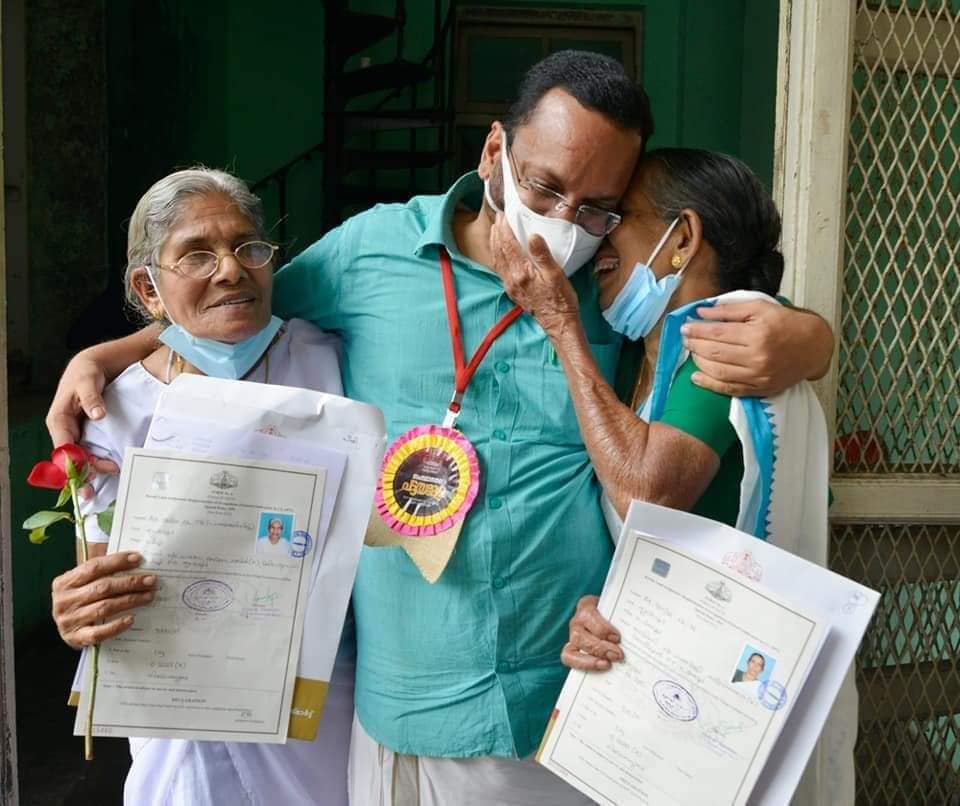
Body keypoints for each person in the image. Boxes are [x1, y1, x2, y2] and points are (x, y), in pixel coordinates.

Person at [46, 53, 835, 804]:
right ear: (494, 150)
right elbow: (239, 301)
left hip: (569, 706)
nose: (567, 221)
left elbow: (721, 300)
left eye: (596, 205)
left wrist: (809, 337)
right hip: (401, 707)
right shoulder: (371, 252)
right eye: (546, 186)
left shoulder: (609, 280)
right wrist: (112, 349)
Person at [489, 147, 854, 804]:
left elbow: (645, 493)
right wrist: (597, 612)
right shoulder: (640, 360)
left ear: (681, 238)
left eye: (616, 217)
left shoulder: (726, 336)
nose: (596, 234)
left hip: (734, 706)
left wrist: (559, 323)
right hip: (665, 703)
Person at [49, 168, 352, 805]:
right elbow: (101, 583)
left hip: (315, 714)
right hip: (179, 729)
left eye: (248, 247)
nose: (231, 270)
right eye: (196, 254)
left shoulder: (329, 362)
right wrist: (80, 613)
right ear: (147, 288)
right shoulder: (113, 413)